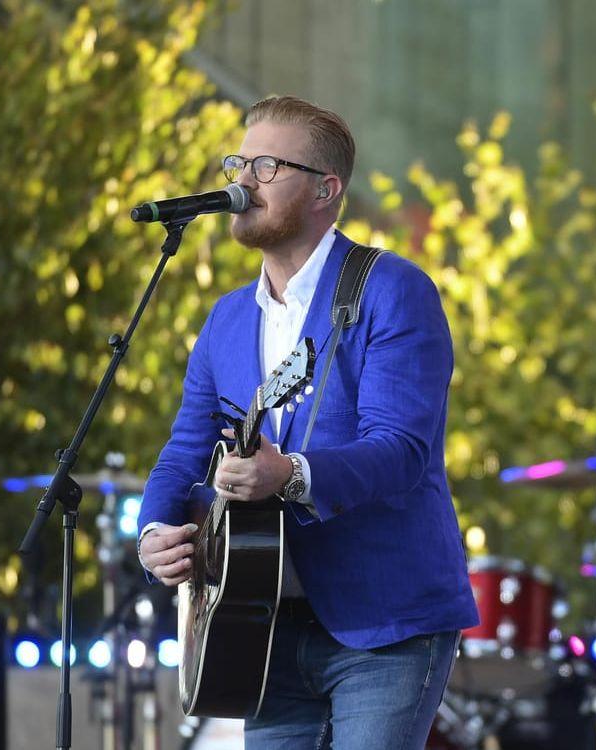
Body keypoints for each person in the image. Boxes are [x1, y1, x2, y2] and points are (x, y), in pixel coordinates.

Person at [136, 95, 477, 749]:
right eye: (238, 161)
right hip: (256, 624)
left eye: (264, 166)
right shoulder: (227, 321)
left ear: (326, 189)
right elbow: (185, 450)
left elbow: (400, 448)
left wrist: (288, 473)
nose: (239, 181)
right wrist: (156, 531)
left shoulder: (391, 290)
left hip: (388, 620)